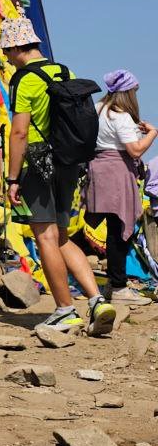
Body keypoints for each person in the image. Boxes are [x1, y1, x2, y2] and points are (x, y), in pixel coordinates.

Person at [1, 17, 116, 336]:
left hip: (38, 163)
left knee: (45, 237)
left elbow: (20, 132)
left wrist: (12, 178)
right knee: (62, 235)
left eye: (7, 51)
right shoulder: (65, 72)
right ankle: (96, 301)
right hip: (68, 162)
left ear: (16, 46)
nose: (7, 58)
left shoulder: (24, 79)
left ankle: (65, 311)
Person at [85, 69, 157, 305]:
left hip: (98, 170)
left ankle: (112, 284)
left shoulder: (97, 109)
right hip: (116, 173)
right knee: (119, 231)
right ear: (128, 92)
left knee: (112, 229)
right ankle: (119, 288)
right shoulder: (120, 115)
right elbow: (135, 150)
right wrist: (153, 133)